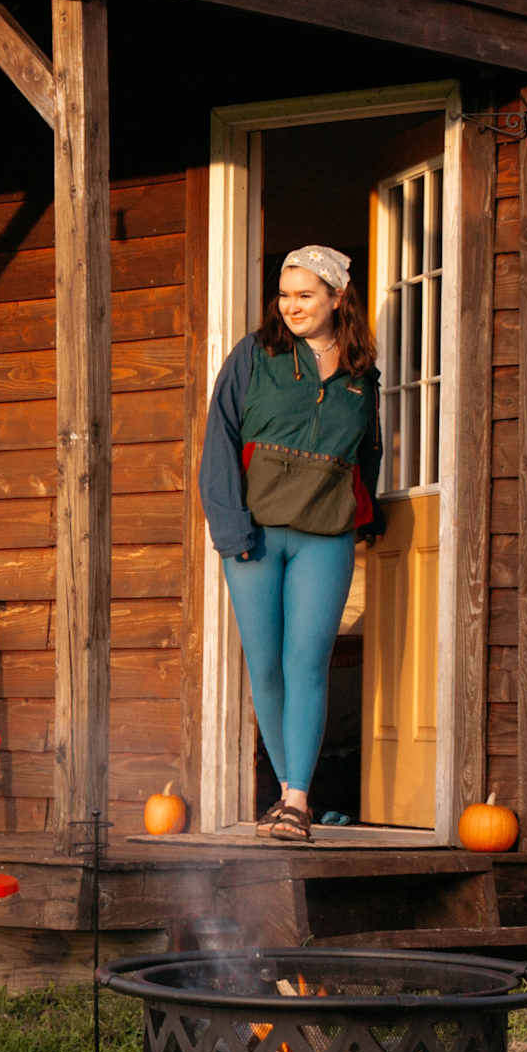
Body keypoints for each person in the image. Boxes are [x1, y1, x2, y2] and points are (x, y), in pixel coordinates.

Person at [198, 241, 388, 842]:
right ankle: (286, 795)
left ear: (337, 298)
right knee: (268, 668)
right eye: (285, 296)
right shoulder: (256, 355)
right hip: (254, 533)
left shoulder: (363, 375)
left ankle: (297, 802)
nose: (292, 307)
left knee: (308, 664)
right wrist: (230, 527)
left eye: (306, 296)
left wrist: (366, 517)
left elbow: (369, 452)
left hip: (325, 537)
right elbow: (219, 440)